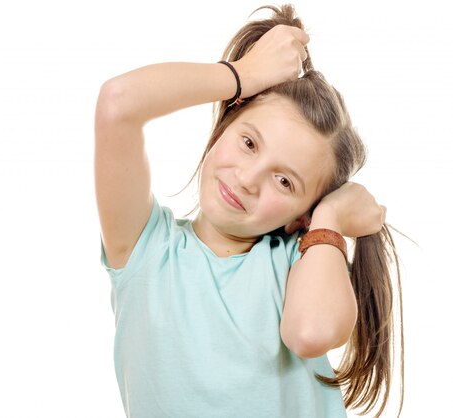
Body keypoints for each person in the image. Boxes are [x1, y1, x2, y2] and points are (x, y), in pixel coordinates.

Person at [94, 4, 404, 418]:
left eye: (285, 181)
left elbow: (311, 332)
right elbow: (117, 103)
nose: (247, 178)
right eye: (249, 143)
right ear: (224, 126)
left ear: (301, 216)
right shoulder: (146, 250)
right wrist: (242, 75)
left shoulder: (301, 262)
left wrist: (329, 218)